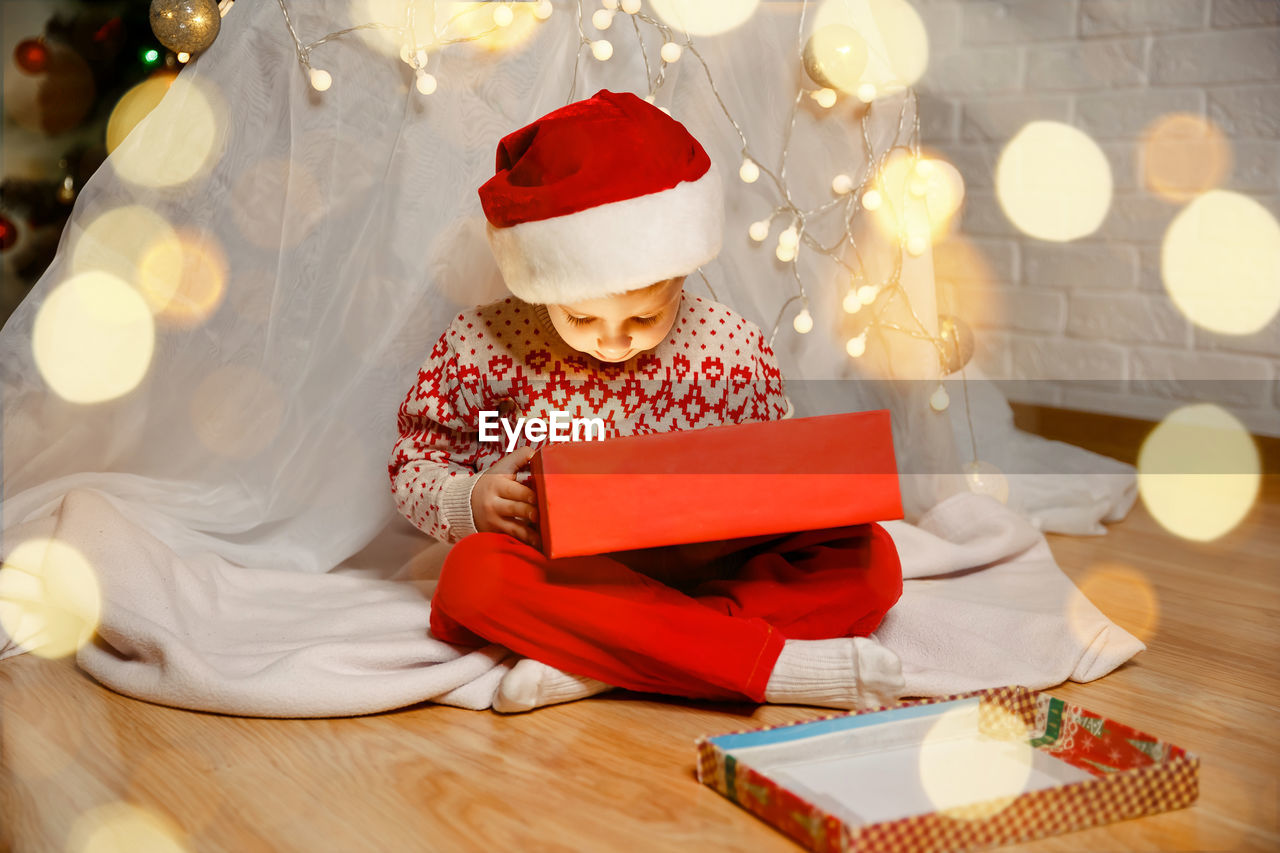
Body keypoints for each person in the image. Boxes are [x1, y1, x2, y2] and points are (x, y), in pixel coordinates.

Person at [388, 90, 905, 713]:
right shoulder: (483, 342)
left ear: (681, 276)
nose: (613, 340)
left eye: (644, 314)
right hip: (569, 577)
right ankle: (763, 665)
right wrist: (469, 498)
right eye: (580, 317)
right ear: (542, 282)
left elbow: (782, 469)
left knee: (873, 560)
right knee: (473, 578)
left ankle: (604, 661)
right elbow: (414, 459)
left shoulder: (731, 344)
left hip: (707, 570)